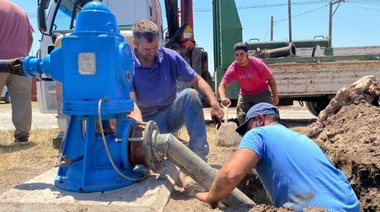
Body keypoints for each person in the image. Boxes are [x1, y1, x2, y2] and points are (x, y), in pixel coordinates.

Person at [195, 102, 360, 211]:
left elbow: (230, 174)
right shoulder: (303, 139)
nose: (247, 134)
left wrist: (211, 196)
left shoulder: (259, 133)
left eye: (248, 128)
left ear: (259, 119)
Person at [129, 19, 224, 161]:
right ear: (135, 44)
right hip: (147, 121)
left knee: (190, 94)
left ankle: (198, 159)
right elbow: (132, 103)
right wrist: (139, 133)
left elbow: (197, 80)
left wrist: (215, 104)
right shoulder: (127, 65)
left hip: (172, 114)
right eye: (147, 49)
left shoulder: (169, 57)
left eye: (155, 48)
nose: (152, 53)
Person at [218, 42, 279, 125]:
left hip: (262, 92)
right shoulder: (233, 68)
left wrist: (275, 96)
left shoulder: (258, 64)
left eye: (241, 54)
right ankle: (246, 135)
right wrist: (223, 97)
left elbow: (271, 80)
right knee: (242, 117)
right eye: (236, 55)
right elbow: (222, 85)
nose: (239, 57)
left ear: (247, 53)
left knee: (268, 115)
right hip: (245, 93)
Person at [0, 0, 34, 145]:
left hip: (1, 61)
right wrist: (24, 56)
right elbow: (30, 38)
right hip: (21, 64)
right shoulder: (21, 11)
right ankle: (22, 135)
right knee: (22, 100)